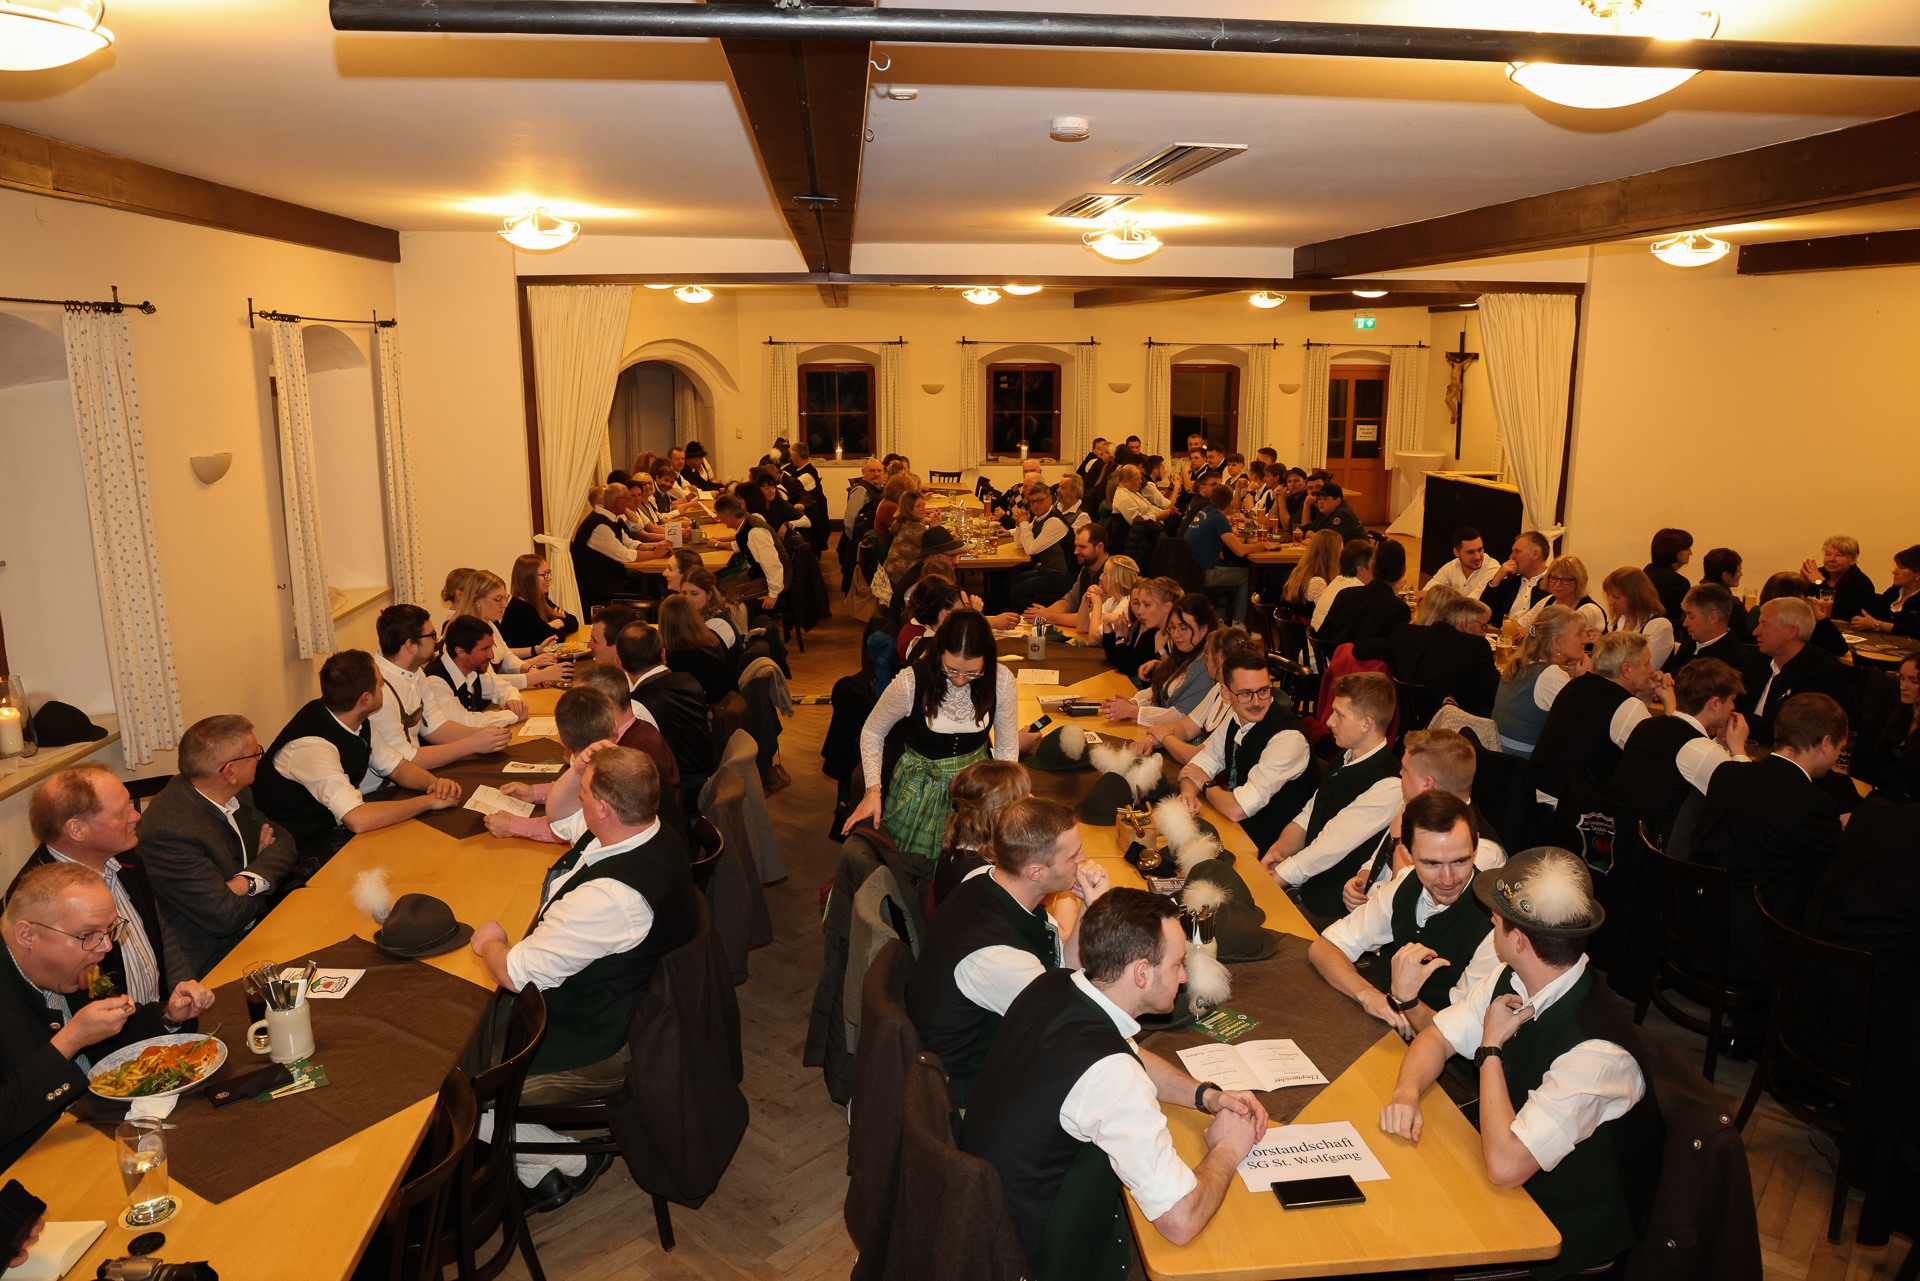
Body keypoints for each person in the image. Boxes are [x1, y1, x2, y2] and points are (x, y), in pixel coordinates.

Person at [1380, 848, 1662, 1281]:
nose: (1490, 922)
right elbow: (1437, 1036)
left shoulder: (1598, 1056)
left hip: (1560, 1233)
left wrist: (1490, 1047)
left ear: (1519, 941)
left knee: (1406, 1252)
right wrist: (1405, 1094)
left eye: (1496, 920)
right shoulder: (1511, 975)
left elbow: (1507, 1167)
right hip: (1505, 1180)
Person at [961, 890, 1269, 1277]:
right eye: (1177, 964)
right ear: (1142, 973)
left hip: (985, 1212)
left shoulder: (1054, 985)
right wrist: (1227, 1148)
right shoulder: (1112, 1075)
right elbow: (1181, 1220)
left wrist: (1206, 1095)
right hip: (1031, 1257)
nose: (1184, 976)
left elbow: (1130, 1055)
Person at [469, 747, 699, 1202]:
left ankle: (563, 1159)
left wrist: (489, 942)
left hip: (598, 1035)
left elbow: (515, 974)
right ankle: (547, 1172)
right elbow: (559, 821)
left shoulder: (610, 896)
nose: (578, 795)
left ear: (604, 808)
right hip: (618, 1000)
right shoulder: (647, 831)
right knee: (466, 1031)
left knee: (455, 1083)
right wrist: (578, 769)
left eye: (585, 792)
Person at [1, 863, 217, 1170]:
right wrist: (70, 1040)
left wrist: (169, 1016)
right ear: (27, 934)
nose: (105, 947)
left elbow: (110, 1040)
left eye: (109, 931)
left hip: (99, 1133)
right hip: (37, 1167)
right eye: (88, 934)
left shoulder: (72, 965)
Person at [908, 797, 1110, 1108]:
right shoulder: (998, 958)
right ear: (1035, 872)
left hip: (995, 1056)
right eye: (1073, 855)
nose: (1084, 859)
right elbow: (1076, 1027)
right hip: (971, 1098)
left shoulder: (985, 878)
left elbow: (1063, 968)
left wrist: (1088, 907)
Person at [1311, 790, 1499, 1038]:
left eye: (1460, 861)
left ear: (1476, 846)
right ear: (1408, 854)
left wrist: (1408, 1002)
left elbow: (1459, 1037)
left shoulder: (1496, 926)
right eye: (1431, 863)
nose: (1448, 879)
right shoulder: (1405, 885)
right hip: (1389, 1031)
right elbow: (1324, 947)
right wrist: (1369, 996)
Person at [251, 650, 464, 863]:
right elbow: (357, 819)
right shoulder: (312, 746)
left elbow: (396, 766)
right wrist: (427, 803)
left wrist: (435, 785)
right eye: (380, 683)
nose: (384, 685)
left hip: (330, 833)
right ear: (366, 698)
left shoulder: (351, 717)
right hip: (300, 851)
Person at [1696, 693, 1847, 984]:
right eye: (1840, 748)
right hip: (1755, 947)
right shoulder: (1813, 803)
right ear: (1826, 742)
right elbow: (1831, 876)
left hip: (1699, 921)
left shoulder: (1727, 773)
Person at [848, 612, 1025, 859]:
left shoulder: (1001, 680)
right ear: (939, 652)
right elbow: (872, 731)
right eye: (951, 669)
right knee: (913, 864)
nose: (960, 680)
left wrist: (1007, 797)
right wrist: (872, 792)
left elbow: (1006, 748)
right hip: (919, 789)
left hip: (974, 791)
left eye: (972, 673)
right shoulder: (911, 681)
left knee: (969, 864)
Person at [135, 715, 298, 980]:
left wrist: (245, 882)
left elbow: (284, 842)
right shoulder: (168, 832)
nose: (260, 758)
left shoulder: (236, 791)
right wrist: (261, 880)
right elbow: (225, 917)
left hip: (257, 931)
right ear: (230, 772)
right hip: (211, 965)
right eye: (255, 753)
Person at [10, 767, 167, 1006]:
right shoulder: (39, 902)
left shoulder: (125, 858)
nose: (135, 815)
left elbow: (157, 932)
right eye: (120, 812)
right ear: (77, 830)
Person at [1261, 673, 1403, 922]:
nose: (1328, 721)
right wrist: (1278, 850)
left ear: (1366, 724)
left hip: (1333, 912)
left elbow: (1329, 846)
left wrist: (1272, 881)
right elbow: (1310, 813)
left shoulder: (1389, 784)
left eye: (1339, 714)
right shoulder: (1345, 756)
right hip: (1307, 890)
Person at [1341, 727, 1510, 907]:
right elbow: (1375, 864)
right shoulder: (1414, 811)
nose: (1400, 773)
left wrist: (1399, 842)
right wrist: (1361, 880)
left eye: (1405, 769)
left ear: (1427, 784)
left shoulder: (1478, 851)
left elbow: (1411, 905)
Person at [1609, 657, 1749, 843]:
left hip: (1621, 834)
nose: (1733, 707)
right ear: (1715, 703)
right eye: (1732, 700)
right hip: (1661, 851)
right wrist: (1738, 749)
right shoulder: (1700, 749)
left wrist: (1721, 744)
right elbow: (1747, 800)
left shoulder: (1646, 725)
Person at [1529, 631, 1671, 811]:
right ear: (1627, 670)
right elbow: (1663, 757)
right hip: (1572, 810)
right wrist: (1669, 701)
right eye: (1646, 663)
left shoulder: (1576, 684)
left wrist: (1645, 698)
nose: (1651, 670)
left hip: (1534, 794)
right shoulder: (1626, 705)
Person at [369, 605, 515, 768]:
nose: (437, 640)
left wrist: (485, 734)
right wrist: (471, 744)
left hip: (413, 770)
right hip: (391, 781)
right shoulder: (378, 689)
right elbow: (403, 760)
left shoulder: (415, 672)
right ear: (410, 645)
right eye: (432, 635)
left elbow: (435, 727)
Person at [1354, 590, 1501, 718]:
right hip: (1454, 726)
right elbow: (1497, 693)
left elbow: (1359, 649)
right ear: (1465, 623)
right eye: (1483, 627)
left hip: (1409, 724)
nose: (1484, 634)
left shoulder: (1405, 634)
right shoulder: (1475, 646)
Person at [1133, 628, 1256, 766]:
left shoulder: (1239, 705)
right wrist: (1150, 740)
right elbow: (1186, 727)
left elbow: (1198, 755)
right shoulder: (1218, 689)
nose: (1205, 663)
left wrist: (1165, 737)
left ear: (1218, 662)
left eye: (1207, 658)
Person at [1741, 596, 1855, 745]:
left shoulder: (1823, 672)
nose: (1755, 632)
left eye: (1765, 625)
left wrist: (1739, 720)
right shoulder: (1759, 658)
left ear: (1792, 631)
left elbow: (1792, 733)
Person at [615, 621, 714, 782]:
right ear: (663, 655)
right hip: (709, 777)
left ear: (620, 663)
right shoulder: (690, 680)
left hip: (678, 789)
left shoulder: (636, 707)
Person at [1102, 594, 1218, 727]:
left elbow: (1182, 717)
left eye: (1183, 628)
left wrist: (1133, 711)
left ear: (1204, 629)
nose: (1175, 634)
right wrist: (1134, 703)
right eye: (1172, 627)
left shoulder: (1207, 666)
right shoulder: (1184, 653)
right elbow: (1158, 692)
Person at [1490, 605, 1590, 758]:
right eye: (1578, 634)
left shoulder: (1521, 660)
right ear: (1556, 643)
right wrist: (1586, 679)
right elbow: (1581, 723)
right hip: (1522, 760)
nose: (1585, 640)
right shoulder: (1552, 675)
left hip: (1499, 752)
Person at [932, 759, 1032, 904]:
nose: (1033, 801)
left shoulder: (962, 839)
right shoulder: (985, 877)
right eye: (1025, 800)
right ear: (999, 816)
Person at [452, 569, 566, 688]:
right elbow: (488, 681)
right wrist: (539, 676)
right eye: (498, 599)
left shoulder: (490, 625)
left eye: (505, 598)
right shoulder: (466, 634)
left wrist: (531, 669)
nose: (505, 604)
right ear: (477, 600)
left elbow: (508, 658)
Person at [427, 615, 532, 730]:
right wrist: (511, 715)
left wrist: (513, 701)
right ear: (461, 652)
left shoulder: (471, 668)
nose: (491, 655)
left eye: (491, 647)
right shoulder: (435, 681)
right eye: (485, 649)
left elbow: (503, 688)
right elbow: (464, 722)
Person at [1184, 482, 1268, 624]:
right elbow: (1239, 551)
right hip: (1202, 574)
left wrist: (1248, 541)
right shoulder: (1219, 519)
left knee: (1231, 569)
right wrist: (1262, 544)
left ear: (1211, 500)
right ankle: (1239, 623)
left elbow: (1230, 540)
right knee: (1245, 575)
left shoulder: (1204, 511)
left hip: (1190, 571)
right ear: (1230, 504)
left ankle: (1220, 620)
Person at [571, 482, 666, 608]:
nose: (631, 503)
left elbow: (628, 543)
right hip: (603, 585)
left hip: (614, 576)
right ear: (619, 501)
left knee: (654, 580)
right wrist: (654, 554)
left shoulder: (611, 519)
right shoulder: (599, 526)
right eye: (629, 499)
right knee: (653, 586)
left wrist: (653, 548)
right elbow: (623, 555)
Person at [1317, 537, 1412, 651]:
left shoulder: (1345, 594)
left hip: (1339, 659)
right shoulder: (1399, 609)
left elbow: (1322, 636)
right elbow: (1400, 652)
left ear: (1373, 567)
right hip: (1371, 662)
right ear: (1403, 572)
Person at [1855, 655, 1919, 801]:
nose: (1903, 686)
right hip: (1883, 793)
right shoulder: (1897, 715)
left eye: (1913, 681)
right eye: (1902, 678)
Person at [1010, 479, 1079, 613]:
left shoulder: (1054, 522)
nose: (1036, 505)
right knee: (1011, 581)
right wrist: (1019, 525)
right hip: (1048, 570)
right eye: (1032, 501)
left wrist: (1024, 523)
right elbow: (1021, 544)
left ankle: (1039, 618)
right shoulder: (1039, 518)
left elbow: (1030, 549)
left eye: (1040, 500)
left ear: (1050, 500)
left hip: (1063, 576)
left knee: (1017, 591)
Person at [712, 491, 786, 613]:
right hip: (759, 572)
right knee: (721, 584)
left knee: (732, 596)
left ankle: (741, 626)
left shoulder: (755, 533)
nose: (721, 521)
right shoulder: (749, 519)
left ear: (730, 517)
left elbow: (772, 564)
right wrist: (719, 542)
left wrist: (773, 594)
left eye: (721, 518)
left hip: (775, 578)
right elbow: (739, 544)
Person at [1024, 524, 1109, 630]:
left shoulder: (1111, 573)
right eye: (1076, 546)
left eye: (1082, 547)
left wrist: (1049, 617)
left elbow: (1090, 619)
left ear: (1099, 547)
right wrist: (1043, 612)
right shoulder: (1086, 569)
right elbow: (1070, 601)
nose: (1076, 552)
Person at [658, 593, 733, 703]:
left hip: (709, 709)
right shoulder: (713, 637)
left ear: (664, 622)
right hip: (731, 703)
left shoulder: (676, 658)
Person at [1668, 581, 1753, 676]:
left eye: (1691, 616)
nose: (1685, 624)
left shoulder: (1734, 660)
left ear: (1713, 617)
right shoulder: (1691, 641)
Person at [1103, 575, 1179, 681]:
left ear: (1167, 607)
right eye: (1137, 603)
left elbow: (1128, 666)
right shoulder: (1139, 627)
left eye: (1146, 605)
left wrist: (1120, 639)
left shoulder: (1173, 637)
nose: (1139, 611)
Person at [502, 554, 581, 652]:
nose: (550, 578)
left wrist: (557, 622)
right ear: (529, 578)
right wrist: (555, 625)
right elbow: (557, 637)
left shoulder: (542, 600)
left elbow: (573, 622)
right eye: (544, 575)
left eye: (549, 573)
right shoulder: (520, 608)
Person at [1601, 566, 1675, 670]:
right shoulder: (1618, 622)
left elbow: (1642, 671)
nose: (1610, 603)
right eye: (1609, 596)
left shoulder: (1658, 627)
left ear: (1635, 596)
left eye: (1616, 597)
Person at [1523, 555, 1606, 638]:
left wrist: (1531, 633)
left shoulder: (1589, 611)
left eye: (1565, 580)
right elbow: (1520, 625)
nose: (1558, 584)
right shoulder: (1548, 600)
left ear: (1578, 582)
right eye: (1554, 578)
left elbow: (1563, 640)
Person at [1801, 534, 1876, 625]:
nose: (1831, 559)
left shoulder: (1861, 583)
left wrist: (1820, 583)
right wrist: (1802, 584)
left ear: (1852, 559)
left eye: (1839, 555)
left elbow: (1841, 612)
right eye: (1828, 554)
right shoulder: (1820, 573)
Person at [1480, 531, 1552, 626]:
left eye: (1517, 551)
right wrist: (1496, 579)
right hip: (1500, 634)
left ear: (1535, 554)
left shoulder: (1554, 586)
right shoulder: (1509, 584)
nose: (1511, 557)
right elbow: (1481, 615)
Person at [1854, 543, 1920, 637]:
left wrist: (1879, 625)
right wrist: (1859, 618)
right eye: (1896, 566)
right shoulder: (1893, 592)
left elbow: (1917, 632)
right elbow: (1869, 610)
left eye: (1901, 568)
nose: (1894, 572)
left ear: (1918, 574)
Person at [1311, 538, 1373, 633]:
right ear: (1361, 569)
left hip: (1318, 639)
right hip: (1330, 641)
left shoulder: (1337, 581)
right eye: (1374, 565)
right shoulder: (1356, 591)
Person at [1280, 528, 1343, 619]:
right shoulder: (1317, 582)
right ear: (1331, 555)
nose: (1342, 556)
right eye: (1340, 552)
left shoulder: (1303, 570)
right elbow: (1328, 614)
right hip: (1307, 626)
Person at [1079, 554, 1139, 644]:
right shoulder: (1113, 601)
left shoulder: (1127, 604)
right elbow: (1083, 627)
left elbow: (1094, 640)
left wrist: (1097, 603)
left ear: (1114, 579)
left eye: (1104, 573)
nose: (1100, 577)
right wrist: (1085, 599)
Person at [1425, 526, 1498, 600]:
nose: (1477, 557)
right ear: (1456, 552)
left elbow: (1474, 601)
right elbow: (1427, 591)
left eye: (1480, 550)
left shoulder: (1492, 568)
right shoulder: (1452, 566)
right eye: (1470, 552)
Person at [1644, 527, 1694, 624]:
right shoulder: (1678, 581)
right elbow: (1683, 617)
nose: (1691, 552)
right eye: (1686, 548)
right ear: (1673, 550)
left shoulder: (1648, 570)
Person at [1701, 546, 1749, 640]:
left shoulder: (1692, 597)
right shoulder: (1733, 605)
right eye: (1739, 570)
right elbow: (1746, 636)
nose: (1741, 574)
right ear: (1726, 575)